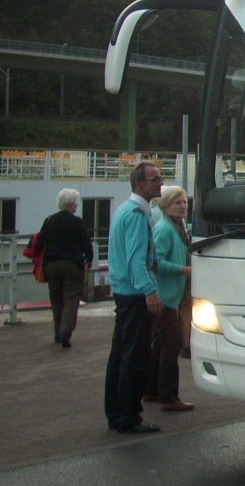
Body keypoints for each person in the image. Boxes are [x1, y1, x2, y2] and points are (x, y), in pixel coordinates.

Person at [103, 161, 164, 435]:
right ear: (139, 184)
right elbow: (137, 261)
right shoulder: (138, 215)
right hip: (134, 295)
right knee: (135, 357)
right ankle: (129, 415)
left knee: (120, 354)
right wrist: (150, 291)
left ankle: (115, 412)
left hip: (122, 293)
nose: (160, 183)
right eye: (154, 179)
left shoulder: (124, 211)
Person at [144, 186, 194, 412]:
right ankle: (168, 396)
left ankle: (152, 390)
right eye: (178, 203)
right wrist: (183, 270)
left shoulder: (176, 227)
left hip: (169, 296)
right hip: (165, 297)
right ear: (166, 206)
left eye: (184, 202)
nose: (183, 207)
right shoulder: (165, 229)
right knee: (170, 347)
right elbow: (157, 263)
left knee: (160, 345)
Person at [38, 188, 94, 348]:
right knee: (71, 298)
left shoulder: (49, 220)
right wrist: (89, 258)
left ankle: (57, 332)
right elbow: (86, 243)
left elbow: (41, 241)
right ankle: (65, 332)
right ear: (71, 204)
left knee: (56, 298)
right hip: (72, 264)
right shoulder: (77, 222)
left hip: (51, 264)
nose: (77, 206)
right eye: (75, 203)